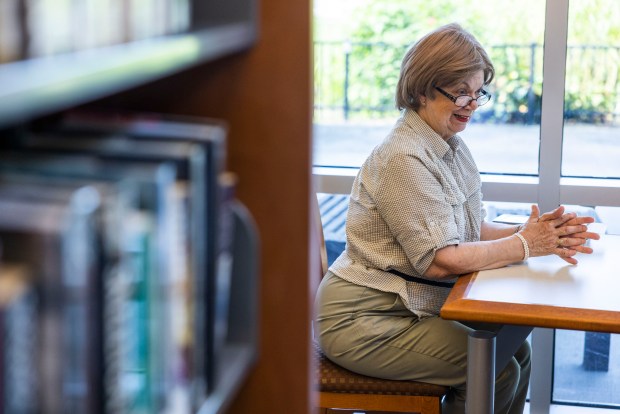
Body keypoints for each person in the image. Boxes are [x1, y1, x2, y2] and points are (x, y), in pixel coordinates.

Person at [314, 23, 600, 414]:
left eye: (477, 91)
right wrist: (526, 244)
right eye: (460, 92)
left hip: (406, 307)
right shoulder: (404, 157)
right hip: (364, 319)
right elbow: (441, 259)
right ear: (421, 90)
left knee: (517, 354)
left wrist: (538, 234)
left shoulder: (451, 146)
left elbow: (469, 230)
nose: (471, 103)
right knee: (496, 371)